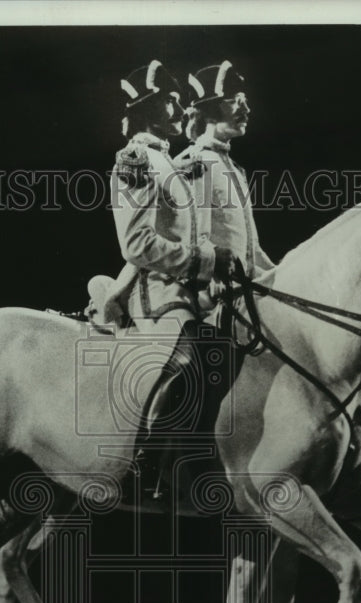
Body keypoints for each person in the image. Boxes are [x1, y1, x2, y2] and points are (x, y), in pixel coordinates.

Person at [104, 60, 237, 498]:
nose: (181, 110)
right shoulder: (137, 160)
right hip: (155, 289)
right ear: (147, 109)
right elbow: (137, 245)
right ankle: (141, 464)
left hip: (190, 289)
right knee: (183, 359)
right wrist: (206, 261)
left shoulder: (168, 162)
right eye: (170, 102)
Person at [178, 60, 275, 292]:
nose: (246, 109)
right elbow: (195, 240)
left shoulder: (236, 170)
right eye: (235, 101)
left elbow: (253, 251)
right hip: (215, 293)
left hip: (245, 290)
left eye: (245, 101)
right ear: (209, 110)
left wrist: (283, 274)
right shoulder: (196, 162)